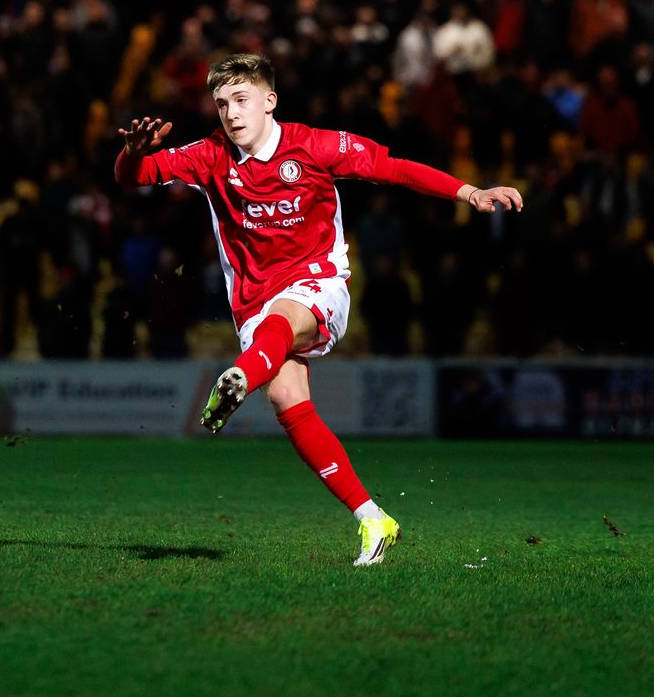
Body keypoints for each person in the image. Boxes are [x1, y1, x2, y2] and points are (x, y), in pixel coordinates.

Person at [114, 53, 522, 566]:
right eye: (221, 104)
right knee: (288, 399)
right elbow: (133, 176)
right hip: (253, 303)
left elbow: (393, 168)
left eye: (241, 99)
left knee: (282, 323)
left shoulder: (315, 146)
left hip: (318, 284)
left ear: (270, 101)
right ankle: (374, 518)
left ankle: (239, 377)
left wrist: (468, 191)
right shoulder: (209, 154)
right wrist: (131, 153)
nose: (232, 113)